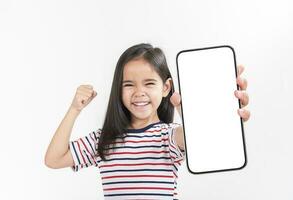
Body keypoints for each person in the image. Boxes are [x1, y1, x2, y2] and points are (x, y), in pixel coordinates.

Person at [44, 43, 250, 199]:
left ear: (166, 88)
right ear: (118, 89)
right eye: (129, 85)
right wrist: (74, 109)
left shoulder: (167, 136)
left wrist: (214, 107)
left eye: (149, 83)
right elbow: (53, 159)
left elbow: (195, 138)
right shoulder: (104, 139)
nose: (139, 93)